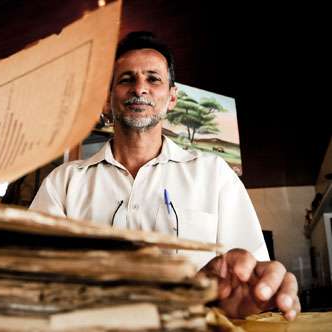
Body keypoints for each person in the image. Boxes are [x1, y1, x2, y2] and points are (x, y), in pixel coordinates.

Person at [30, 31, 300, 320]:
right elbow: (28, 279)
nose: (139, 88)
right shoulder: (64, 183)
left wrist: (231, 295)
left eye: (153, 79)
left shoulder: (214, 174)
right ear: (107, 101)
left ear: (172, 98)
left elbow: (250, 279)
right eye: (126, 79)